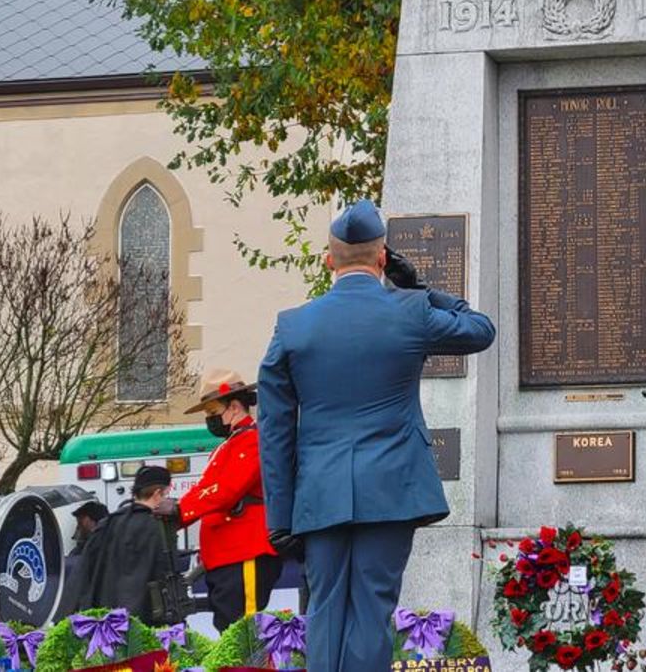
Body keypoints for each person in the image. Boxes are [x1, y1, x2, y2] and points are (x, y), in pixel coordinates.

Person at [258, 199, 496, 671]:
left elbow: (275, 427)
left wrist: (279, 516)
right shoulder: (410, 311)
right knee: (371, 609)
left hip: (320, 493)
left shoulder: (293, 326)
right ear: (383, 258)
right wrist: (422, 289)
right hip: (390, 489)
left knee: (324, 611)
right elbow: (480, 329)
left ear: (329, 260)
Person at [157, 369, 283, 633]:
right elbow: (205, 489)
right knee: (231, 633)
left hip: (245, 551)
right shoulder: (230, 445)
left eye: (213, 413)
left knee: (245, 636)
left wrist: (180, 510)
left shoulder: (251, 440)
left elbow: (225, 490)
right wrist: (174, 517)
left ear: (235, 407)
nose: (210, 421)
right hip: (228, 557)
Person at [75, 466, 176, 625]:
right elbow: (165, 573)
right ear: (157, 494)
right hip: (145, 622)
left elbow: (85, 571)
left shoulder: (108, 523)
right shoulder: (157, 527)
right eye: (166, 494)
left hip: (107, 621)